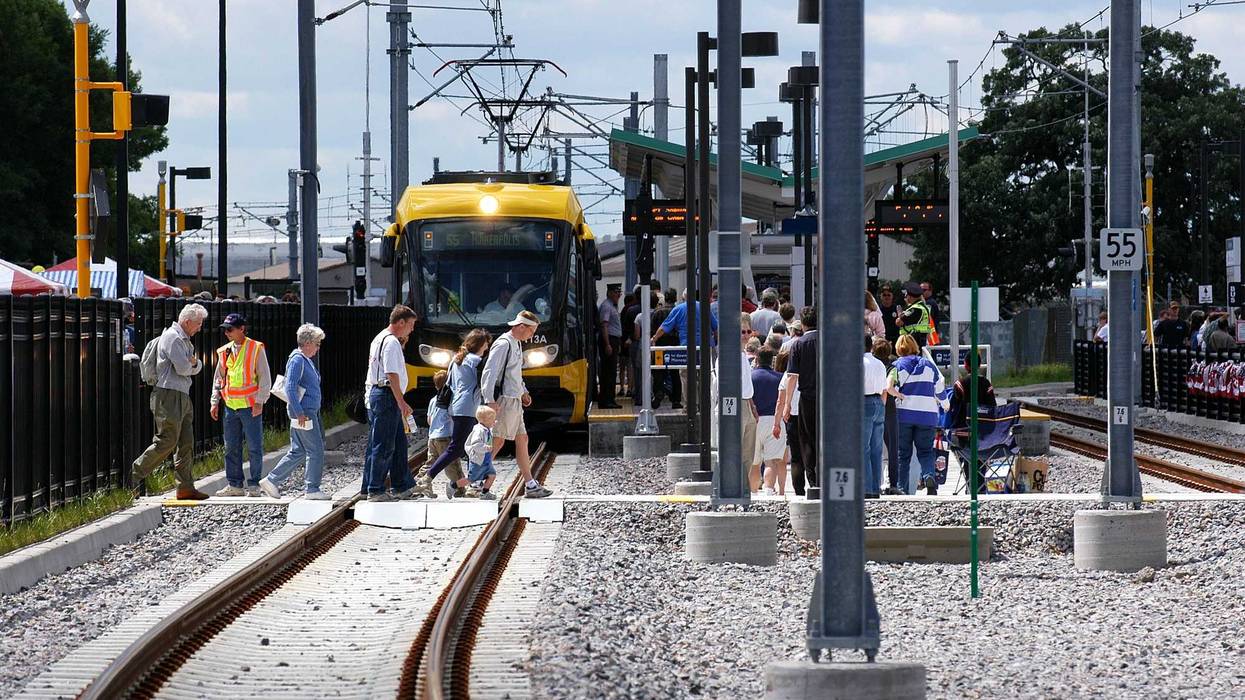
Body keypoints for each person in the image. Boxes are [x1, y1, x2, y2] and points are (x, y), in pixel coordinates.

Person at [130, 303, 211, 500]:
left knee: (186, 441)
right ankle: (133, 475)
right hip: (168, 395)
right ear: (187, 321)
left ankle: (185, 486)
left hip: (182, 393)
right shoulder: (173, 338)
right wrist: (193, 364)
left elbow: (195, 365)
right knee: (167, 440)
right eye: (198, 323)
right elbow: (184, 368)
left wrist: (194, 364)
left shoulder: (185, 340)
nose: (200, 327)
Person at [480, 310, 554, 498]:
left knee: (521, 439)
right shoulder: (504, 344)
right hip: (504, 400)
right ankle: (478, 481)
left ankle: (530, 484)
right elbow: (489, 373)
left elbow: (514, 375)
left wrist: (524, 392)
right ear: (521, 327)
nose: (532, 335)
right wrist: (489, 400)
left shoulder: (516, 344)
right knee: (497, 440)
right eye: (531, 331)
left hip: (514, 400)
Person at [418, 329, 491, 498]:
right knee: (457, 448)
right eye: (486, 344)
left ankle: (474, 484)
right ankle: (427, 477)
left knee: (464, 447)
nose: (487, 347)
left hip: (456, 407)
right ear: (480, 344)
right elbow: (484, 383)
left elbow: (449, 384)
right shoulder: (476, 361)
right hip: (469, 408)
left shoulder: (456, 360)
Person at [260, 324, 329, 499]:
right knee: (316, 450)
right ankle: (312, 489)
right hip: (304, 412)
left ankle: (272, 480)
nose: (318, 348)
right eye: (317, 344)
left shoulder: (302, 359)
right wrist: (299, 412)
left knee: (299, 450)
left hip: (305, 410)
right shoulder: (298, 359)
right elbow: (290, 387)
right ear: (307, 343)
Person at [362, 305, 420, 501]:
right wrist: (401, 401)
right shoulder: (392, 342)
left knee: (397, 442)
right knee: (384, 444)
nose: (412, 329)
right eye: (410, 325)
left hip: (380, 393)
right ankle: (375, 489)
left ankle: (401, 484)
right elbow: (391, 373)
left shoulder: (379, 338)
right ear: (400, 322)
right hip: (387, 394)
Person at [212, 313, 273, 497]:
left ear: (242, 329)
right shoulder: (224, 351)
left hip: (250, 406)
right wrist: (215, 401)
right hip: (230, 406)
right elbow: (219, 378)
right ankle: (235, 484)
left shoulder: (255, 348)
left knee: (254, 447)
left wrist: (260, 401)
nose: (227, 333)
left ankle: (254, 484)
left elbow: (264, 377)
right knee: (231, 447)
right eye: (225, 329)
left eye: (230, 329)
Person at [886, 334, 947, 496]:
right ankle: (929, 478)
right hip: (927, 416)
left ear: (899, 349)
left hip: (904, 416)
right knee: (926, 451)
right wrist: (945, 405)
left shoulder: (897, 366)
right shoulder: (929, 365)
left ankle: (902, 488)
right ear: (915, 347)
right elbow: (939, 388)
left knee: (903, 454)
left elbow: (893, 390)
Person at [780, 306, 819, 495]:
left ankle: (813, 482)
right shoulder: (830, 341)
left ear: (802, 324)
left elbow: (792, 377)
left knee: (807, 441)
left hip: (808, 398)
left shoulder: (798, 344)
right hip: (829, 398)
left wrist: (787, 405)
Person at [751, 348, 784, 495]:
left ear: (757, 359)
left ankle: (752, 491)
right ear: (772, 359)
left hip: (754, 420)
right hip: (774, 420)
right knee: (771, 461)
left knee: (755, 462)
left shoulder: (751, 377)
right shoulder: (780, 377)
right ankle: (769, 491)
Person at [872, 337, 902, 495]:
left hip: (871, 405)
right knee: (892, 449)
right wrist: (901, 395)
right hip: (889, 409)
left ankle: (874, 482)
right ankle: (893, 483)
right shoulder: (891, 368)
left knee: (872, 447)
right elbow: (889, 387)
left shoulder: (871, 366)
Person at [774, 348, 803, 495]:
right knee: (813, 450)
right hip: (810, 414)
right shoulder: (810, 370)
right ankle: (815, 484)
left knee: (796, 456)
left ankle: (799, 489)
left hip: (792, 415)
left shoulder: (787, 375)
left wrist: (776, 423)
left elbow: (780, 401)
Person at [862, 335, 888, 499]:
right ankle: (875, 487)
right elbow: (884, 389)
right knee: (876, 449)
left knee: (863, 448)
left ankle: (867, 488)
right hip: (879, 401)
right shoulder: (879, 363)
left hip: (864, 402)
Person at [948, 350, 995, 438]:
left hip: (963, 430)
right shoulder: (986, 383)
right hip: (983, 430)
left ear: (965, 365)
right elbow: (993, 406)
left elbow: (953, 408)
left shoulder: (960, 384)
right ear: (979, 365)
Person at [651, 289, 683, 409]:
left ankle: (658, 392)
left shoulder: (657, 312)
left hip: (660, 345)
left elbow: (653, 330)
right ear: (675, 298)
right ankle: (676, 400)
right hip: (675, 345)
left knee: (658, 371)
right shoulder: (678, 311)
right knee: (675, 373)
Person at [462, 405, 500, 499]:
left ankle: (484, 493)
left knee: (492, 475)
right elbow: (475, 444)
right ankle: (453, 485)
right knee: (472, 479)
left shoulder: (486, 428)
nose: (494, 421)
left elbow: (490, 430)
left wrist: (494, 423)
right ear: (486, 421)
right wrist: (486, 448)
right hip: (478, 460)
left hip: (485, 460)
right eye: (493, 419)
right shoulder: (478, 430)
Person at [597, 283, 623, 409]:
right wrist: (607, 344)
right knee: (608, 371)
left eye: (620, 292)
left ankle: (609, 399)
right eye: (617, 292)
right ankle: (607, 400)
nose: (619, 295)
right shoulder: (607, 306)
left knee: (611, 371)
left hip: (613, 340)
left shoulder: (612, 306)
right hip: (609, 340)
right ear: (610, 293)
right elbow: (604, 325)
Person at [897, 282, 934, 348]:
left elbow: (899, 322)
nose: (905, 298)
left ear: (910, 297)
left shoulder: (915, 309)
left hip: (913, 342)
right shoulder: (922, 307)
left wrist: (900, 314)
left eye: (906, 296)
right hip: (918, 341)